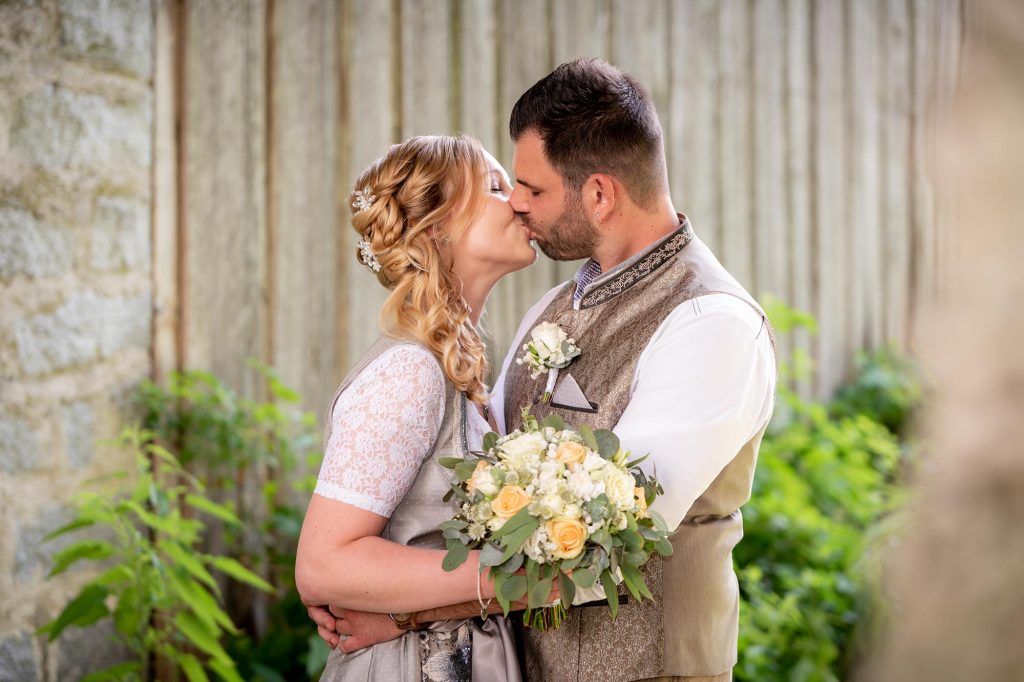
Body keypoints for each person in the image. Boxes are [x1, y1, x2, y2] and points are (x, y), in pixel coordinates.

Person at [309, 59, 777, 682]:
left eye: (529, 188)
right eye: (504, 188)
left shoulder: (710, 324)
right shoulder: (547, 311)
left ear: (600, 194)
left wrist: (403, 618)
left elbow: (608, 542)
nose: (521, 206)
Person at [295, 134, 537, 682]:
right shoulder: (410, 371)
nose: (520, 200)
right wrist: (514, 579)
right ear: (437, 229)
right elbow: (323, 563)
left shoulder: (458, 368)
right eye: (497, 188)